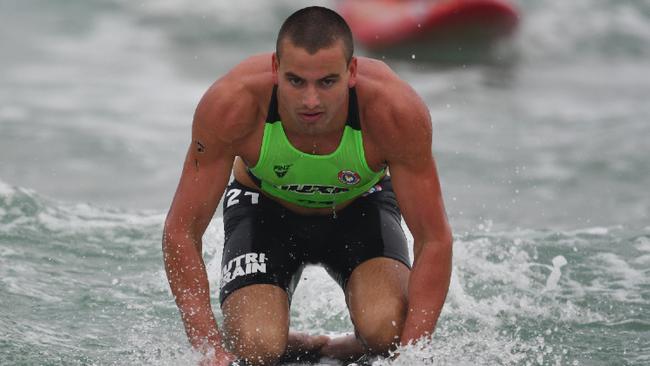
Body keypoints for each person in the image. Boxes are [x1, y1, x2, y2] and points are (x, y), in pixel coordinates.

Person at [162, 6, 452, 366]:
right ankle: (285, 340)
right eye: (296, 81)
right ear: (275, 69)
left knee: (388, 331)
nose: (310, 100)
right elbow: (181, 230)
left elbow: (434, 238)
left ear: (352, 72)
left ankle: (354, 344)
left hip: (360, 208)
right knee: (255, 346)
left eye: (327, 82)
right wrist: (208, 348)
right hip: (263, 210)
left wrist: (412, 355)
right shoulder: (232, 105)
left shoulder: (394, 112)